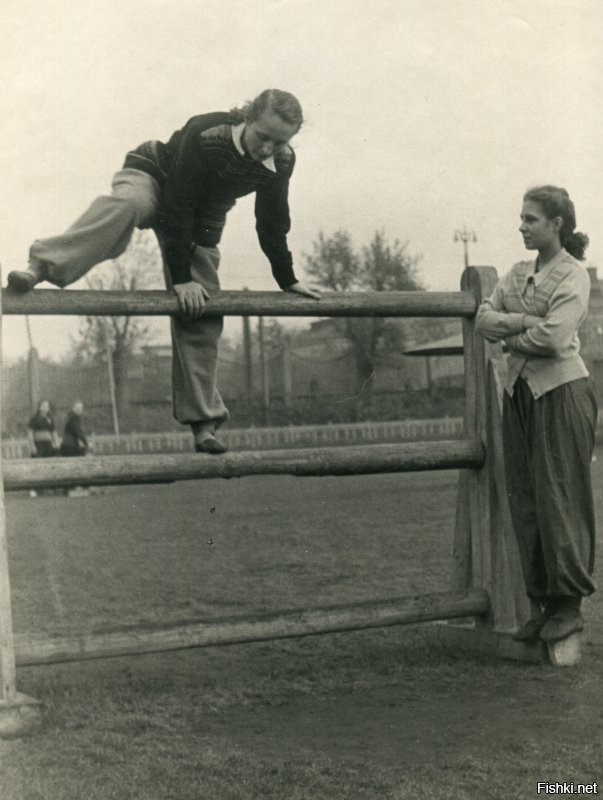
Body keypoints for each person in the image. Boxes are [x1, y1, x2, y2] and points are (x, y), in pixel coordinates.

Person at [7, 89, 319, 454]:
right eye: (262, 136)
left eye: (279, 142)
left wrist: (288, 278)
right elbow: (175, 205)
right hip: (154, 176)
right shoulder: (207, 133)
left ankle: (203, 423)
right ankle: (41, 265)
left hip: (205, 211)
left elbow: (272, 220)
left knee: (202, 307)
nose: (268, 148)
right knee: (128, 207)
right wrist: (180, 279)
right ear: (246, 117)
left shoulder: (282, 161)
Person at [476, 185, 597, 644]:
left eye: (531, 219)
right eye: (522, 218)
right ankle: (544, 604)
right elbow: (484, 319)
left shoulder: (573, 275)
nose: (522, 226)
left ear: (557, 225)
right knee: (526, 498)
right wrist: (528, 323)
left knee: (561, 495)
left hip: (562, 391)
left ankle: (570, 604)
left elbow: (555, 340)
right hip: (520, 393)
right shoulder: (517, 272)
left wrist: (512, 334)